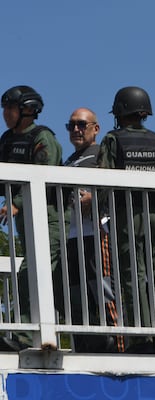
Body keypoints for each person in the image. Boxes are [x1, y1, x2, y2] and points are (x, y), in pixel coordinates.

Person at [97, 86, 155, 354]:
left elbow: (102, 179)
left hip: (127, 214)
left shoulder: (112, 139)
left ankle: (140, 335)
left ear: (120, 111)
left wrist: (98, 210)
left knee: (132, 273)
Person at [0, 85, 63, 350]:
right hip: (23, 218)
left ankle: (27, 337)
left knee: (31, 272)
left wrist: (14, 202)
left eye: (10, 108)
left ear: (27, 110)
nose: (5, 114)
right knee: (30, 270)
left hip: (47, 215)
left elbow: (45, 175)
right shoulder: (7, 140)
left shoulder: (42, 137)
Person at [63, 108, 123, 353]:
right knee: (76, 296)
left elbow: (118, 182)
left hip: (98, 232)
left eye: (81, 124)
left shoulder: (101, 154)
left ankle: (120, 347)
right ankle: (84, 348)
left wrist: (96, 196)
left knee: (104, 291)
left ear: (95, 128)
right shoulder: (67, 161)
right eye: (71, 125)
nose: (76, 129)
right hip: (72, 236)